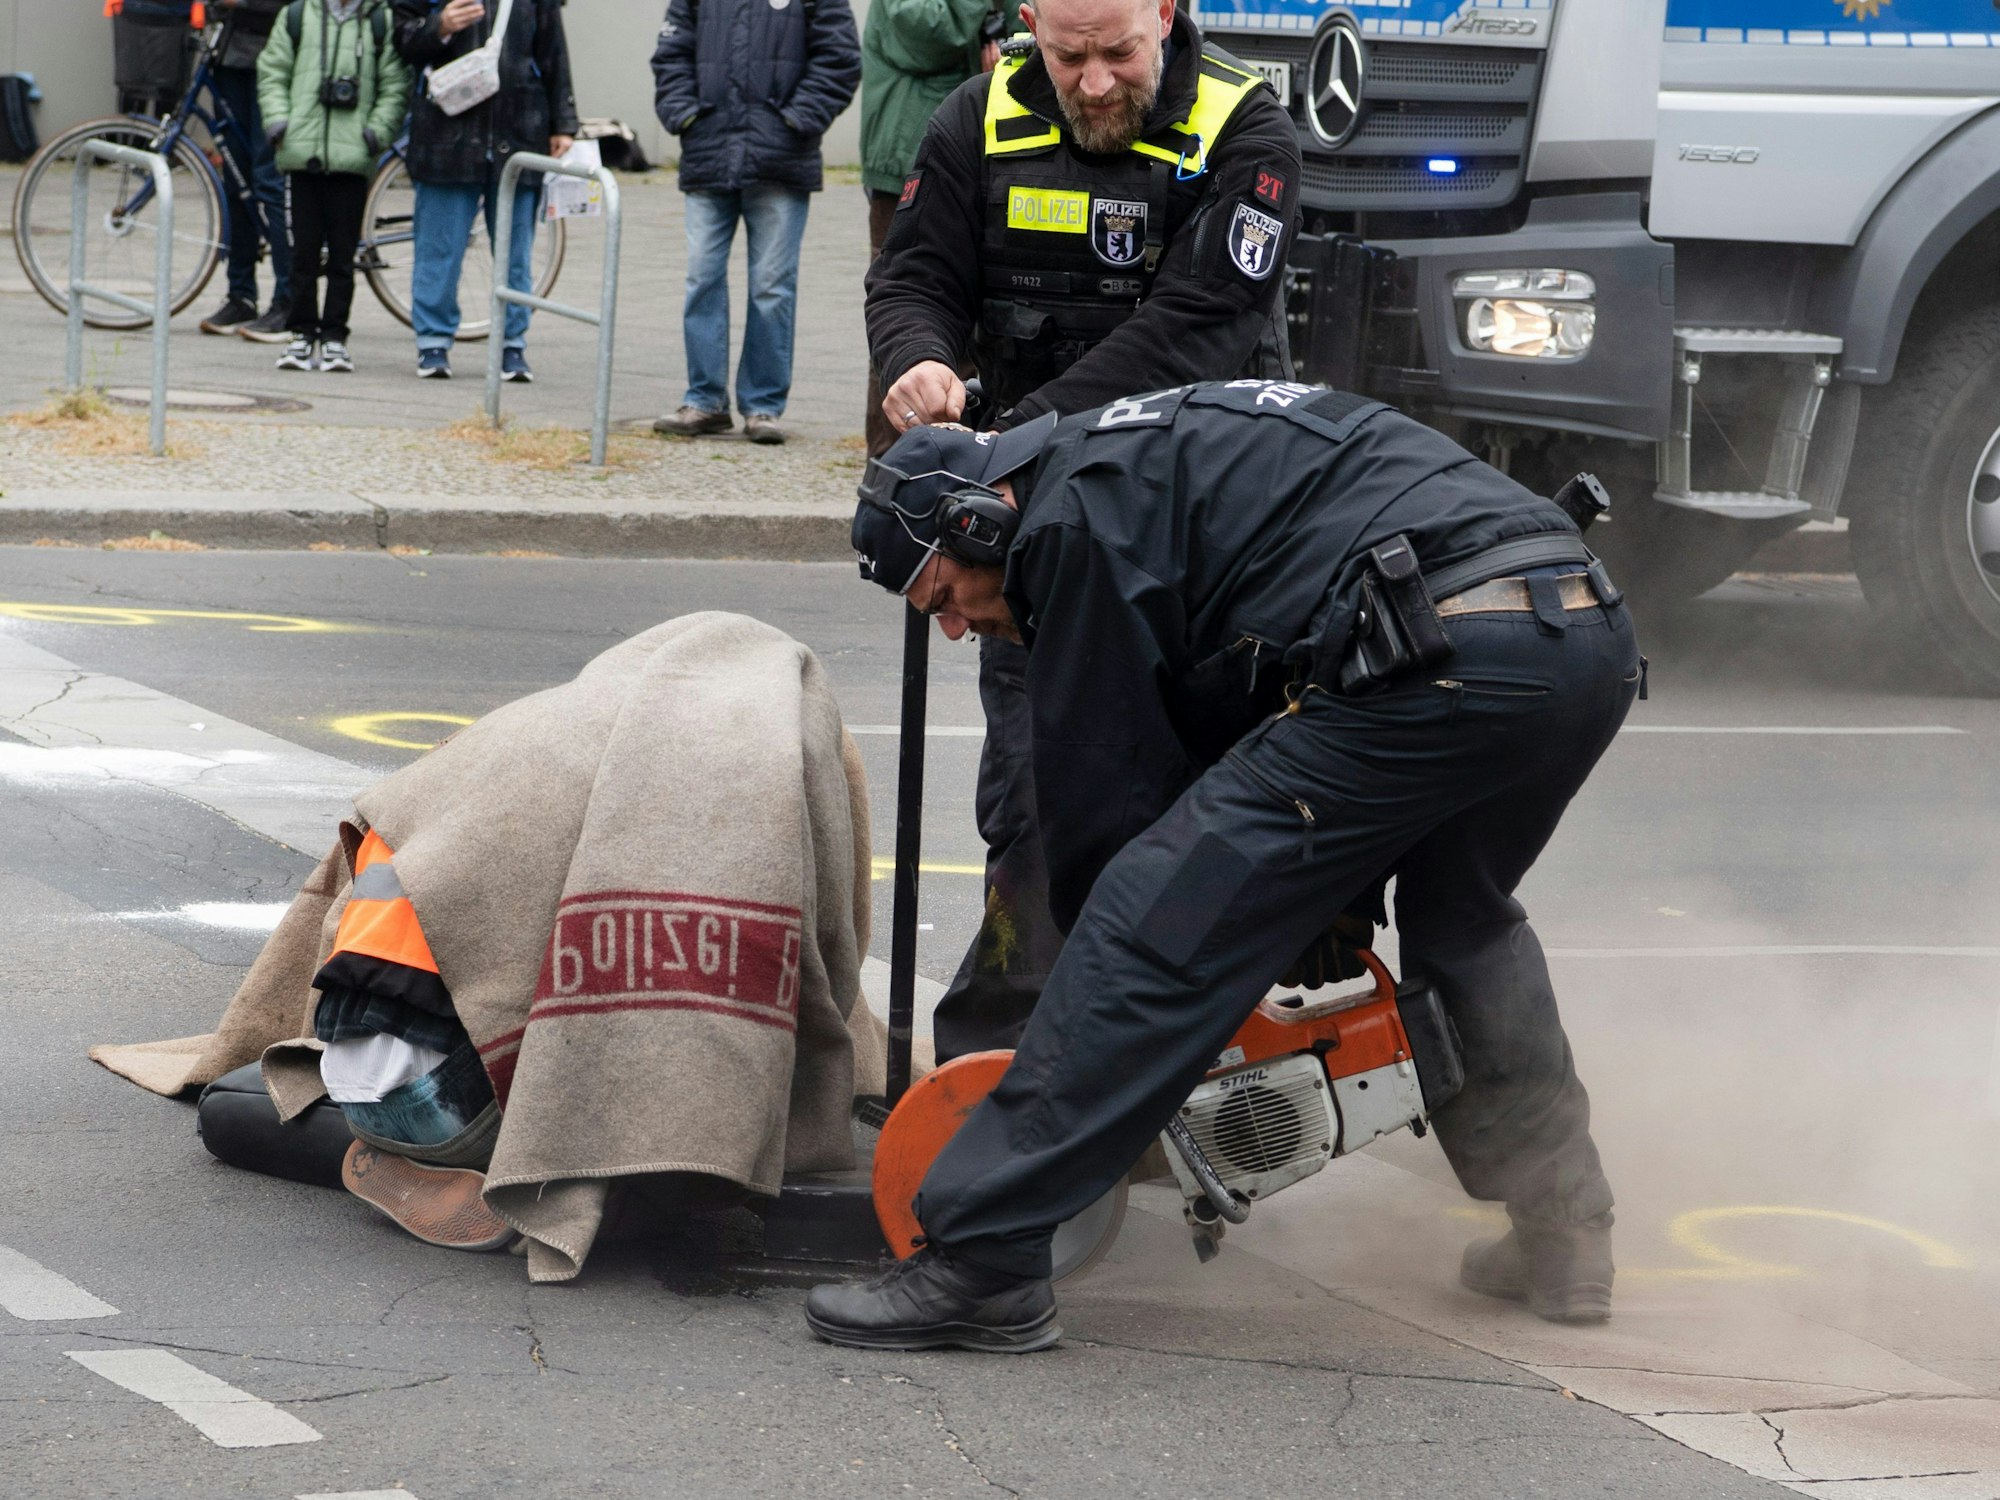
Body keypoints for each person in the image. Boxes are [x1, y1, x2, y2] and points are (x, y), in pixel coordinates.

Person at [812, 379, 1643, 1351]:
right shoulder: (1132, 459)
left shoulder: (1067, 527)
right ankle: (1563, 1234)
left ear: (980, 519)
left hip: (1442, 644)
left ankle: (984, 1257)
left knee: (1146, 917)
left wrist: (1125, 981)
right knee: (1463, 914)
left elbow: (1105, 811)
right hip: (1577, 633)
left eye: (942, 595)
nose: (952, 627)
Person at [864, 0, 1304, 1066]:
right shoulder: (976, 117)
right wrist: (917, 358)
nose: (1096, 82)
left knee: (1196, 824)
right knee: (1037, 809)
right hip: (1035, 543)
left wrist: (1014, 441)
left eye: (1117, 52)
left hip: (1203, 545)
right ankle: (991, 1089)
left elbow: (1195, 329)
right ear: (1028, 25)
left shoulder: (1245, 128)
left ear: (1166, 12)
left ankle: (1167, 1083)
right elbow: (913, 274)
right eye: (1068, 56)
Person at [649, 0, 861, 445]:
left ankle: (762, 406)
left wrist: (795, 121)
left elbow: (840, 59)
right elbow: (671, 52)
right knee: (700, 278)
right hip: (709, 150)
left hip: (781, 157)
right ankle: (704, 401)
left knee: (771, 286)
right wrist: (685, 115)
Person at [391, 0, 578, 382]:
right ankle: (433, 341)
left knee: (515, 253)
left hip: (519, 130)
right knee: (439, 247)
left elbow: (553, 50)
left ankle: (512, 344)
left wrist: (564, 123)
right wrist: (439, 26)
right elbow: (400, 39)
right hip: (446, 136)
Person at [857, 0, 1003, 456]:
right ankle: (894, 467)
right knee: (908, 326)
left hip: (992, 162)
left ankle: (977, 462)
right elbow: (927, 33)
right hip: (907, 165)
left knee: (990, 324)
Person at [257, 0, 409, 373]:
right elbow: (272, 71)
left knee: (343, 256)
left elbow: (395, 84)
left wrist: (375, 134)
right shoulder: (296, 15)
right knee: (303, 253)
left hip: (353, 157)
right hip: (302, 152)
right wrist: (279, 123)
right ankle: (301, 332)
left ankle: (335, 336)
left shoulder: (379, 21)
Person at [197, 0, 296, 341]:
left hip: (277, 59)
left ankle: (288, 299)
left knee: (269, 180)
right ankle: (240, 294)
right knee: (235, 181)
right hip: (229, 54)